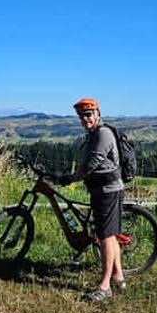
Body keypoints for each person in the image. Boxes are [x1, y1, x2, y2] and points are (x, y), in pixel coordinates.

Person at [58, 97, 125, 302]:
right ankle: (118, 277)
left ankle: (104, 287)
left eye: (88, 114)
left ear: (97, 114)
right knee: (110, 235)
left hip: (107, 190)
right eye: (81, 116)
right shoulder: (93, 133)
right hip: (101, 190)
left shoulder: (102, 133)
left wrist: (70, 178)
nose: (85, 119)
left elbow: (91, 164)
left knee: (105, 237)